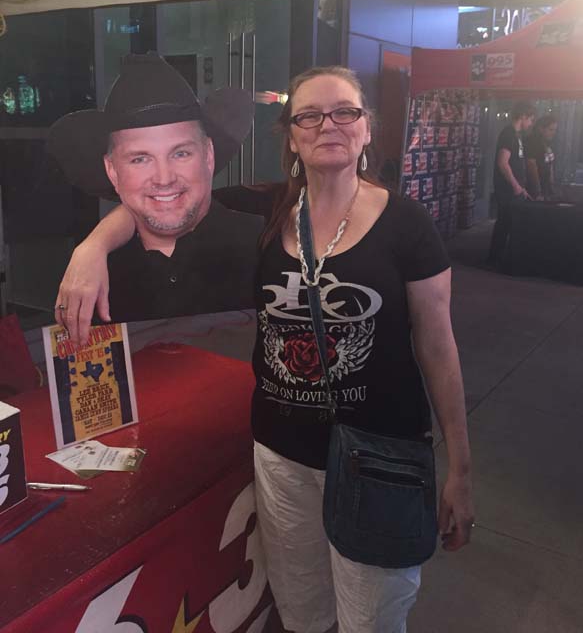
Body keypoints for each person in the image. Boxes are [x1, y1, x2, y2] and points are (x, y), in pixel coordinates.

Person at [56, 66, 474, 633]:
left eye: (344, 112)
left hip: (378, 455)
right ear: (292, 135)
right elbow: (163, 202)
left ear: (366, 128)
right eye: (309, 116)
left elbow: (438, 348)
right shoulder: (268, 210)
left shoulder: (406, 224)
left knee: (370, 621)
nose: (328, 125)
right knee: (301, 614)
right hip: (282, 454)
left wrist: (459, 469)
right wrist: (91, 247)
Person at [48, 53, 263, 326]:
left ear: (208, 155)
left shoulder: (270, 249)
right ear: (112, 171)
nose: (164, 178)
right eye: (140, 159)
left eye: (181, 153)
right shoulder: (85, 282)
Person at [488, 100, 536, 268]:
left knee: (507, 223)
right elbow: (503, 163)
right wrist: (516, 187)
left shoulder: (516, 135)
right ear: (523, 116)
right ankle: (495, 259)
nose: (531, 123)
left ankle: (498, 258)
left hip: (514, 188)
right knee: (504, 223)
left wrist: (521, 187)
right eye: (530, 119)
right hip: (507, 190)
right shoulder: (508, 134)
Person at [525, 114, 558, 201]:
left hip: (545, 189)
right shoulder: (532, 141)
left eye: (555, 130)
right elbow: (531, 165)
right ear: (541, 128)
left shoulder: (547, 143)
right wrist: (537, 191)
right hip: (533, 190)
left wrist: (551, 187)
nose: (553, 133)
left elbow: (550, 165)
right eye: (550, 129)